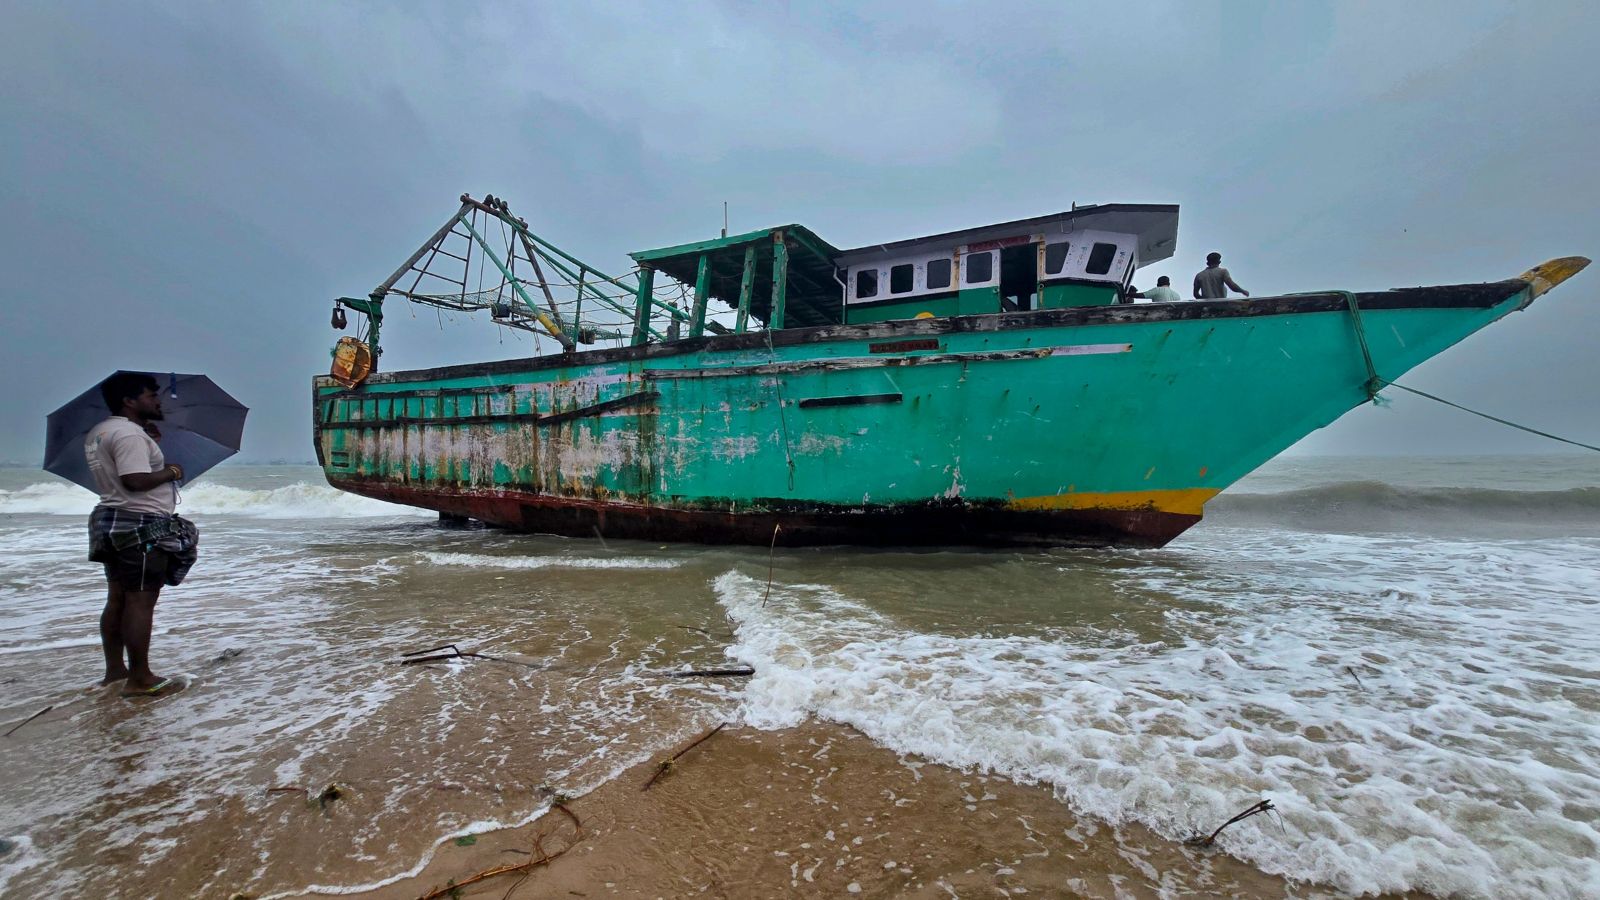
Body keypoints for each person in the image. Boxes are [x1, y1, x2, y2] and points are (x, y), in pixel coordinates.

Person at [85, 372, 198, 696]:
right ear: (129, 401)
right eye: (151, 395)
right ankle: (140, 678)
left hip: (112, 519)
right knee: (141, 600)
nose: (158, 400)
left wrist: (149, 444)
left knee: (118, 597)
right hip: (140, 524)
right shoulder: (129, 435)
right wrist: (172, 471)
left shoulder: (100, 432)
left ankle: (115, 672)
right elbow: (134, 480)